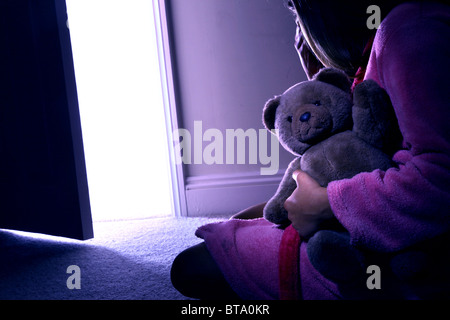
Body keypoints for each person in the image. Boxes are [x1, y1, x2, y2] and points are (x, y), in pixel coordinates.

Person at [171, 0, 450, 300]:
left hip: (409, 250)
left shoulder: (409, 31)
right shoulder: (393, 34)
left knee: (191, 268)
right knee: (238, 224)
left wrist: (326, 204)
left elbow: (439, 181)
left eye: (295, 8)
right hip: (374, 215)